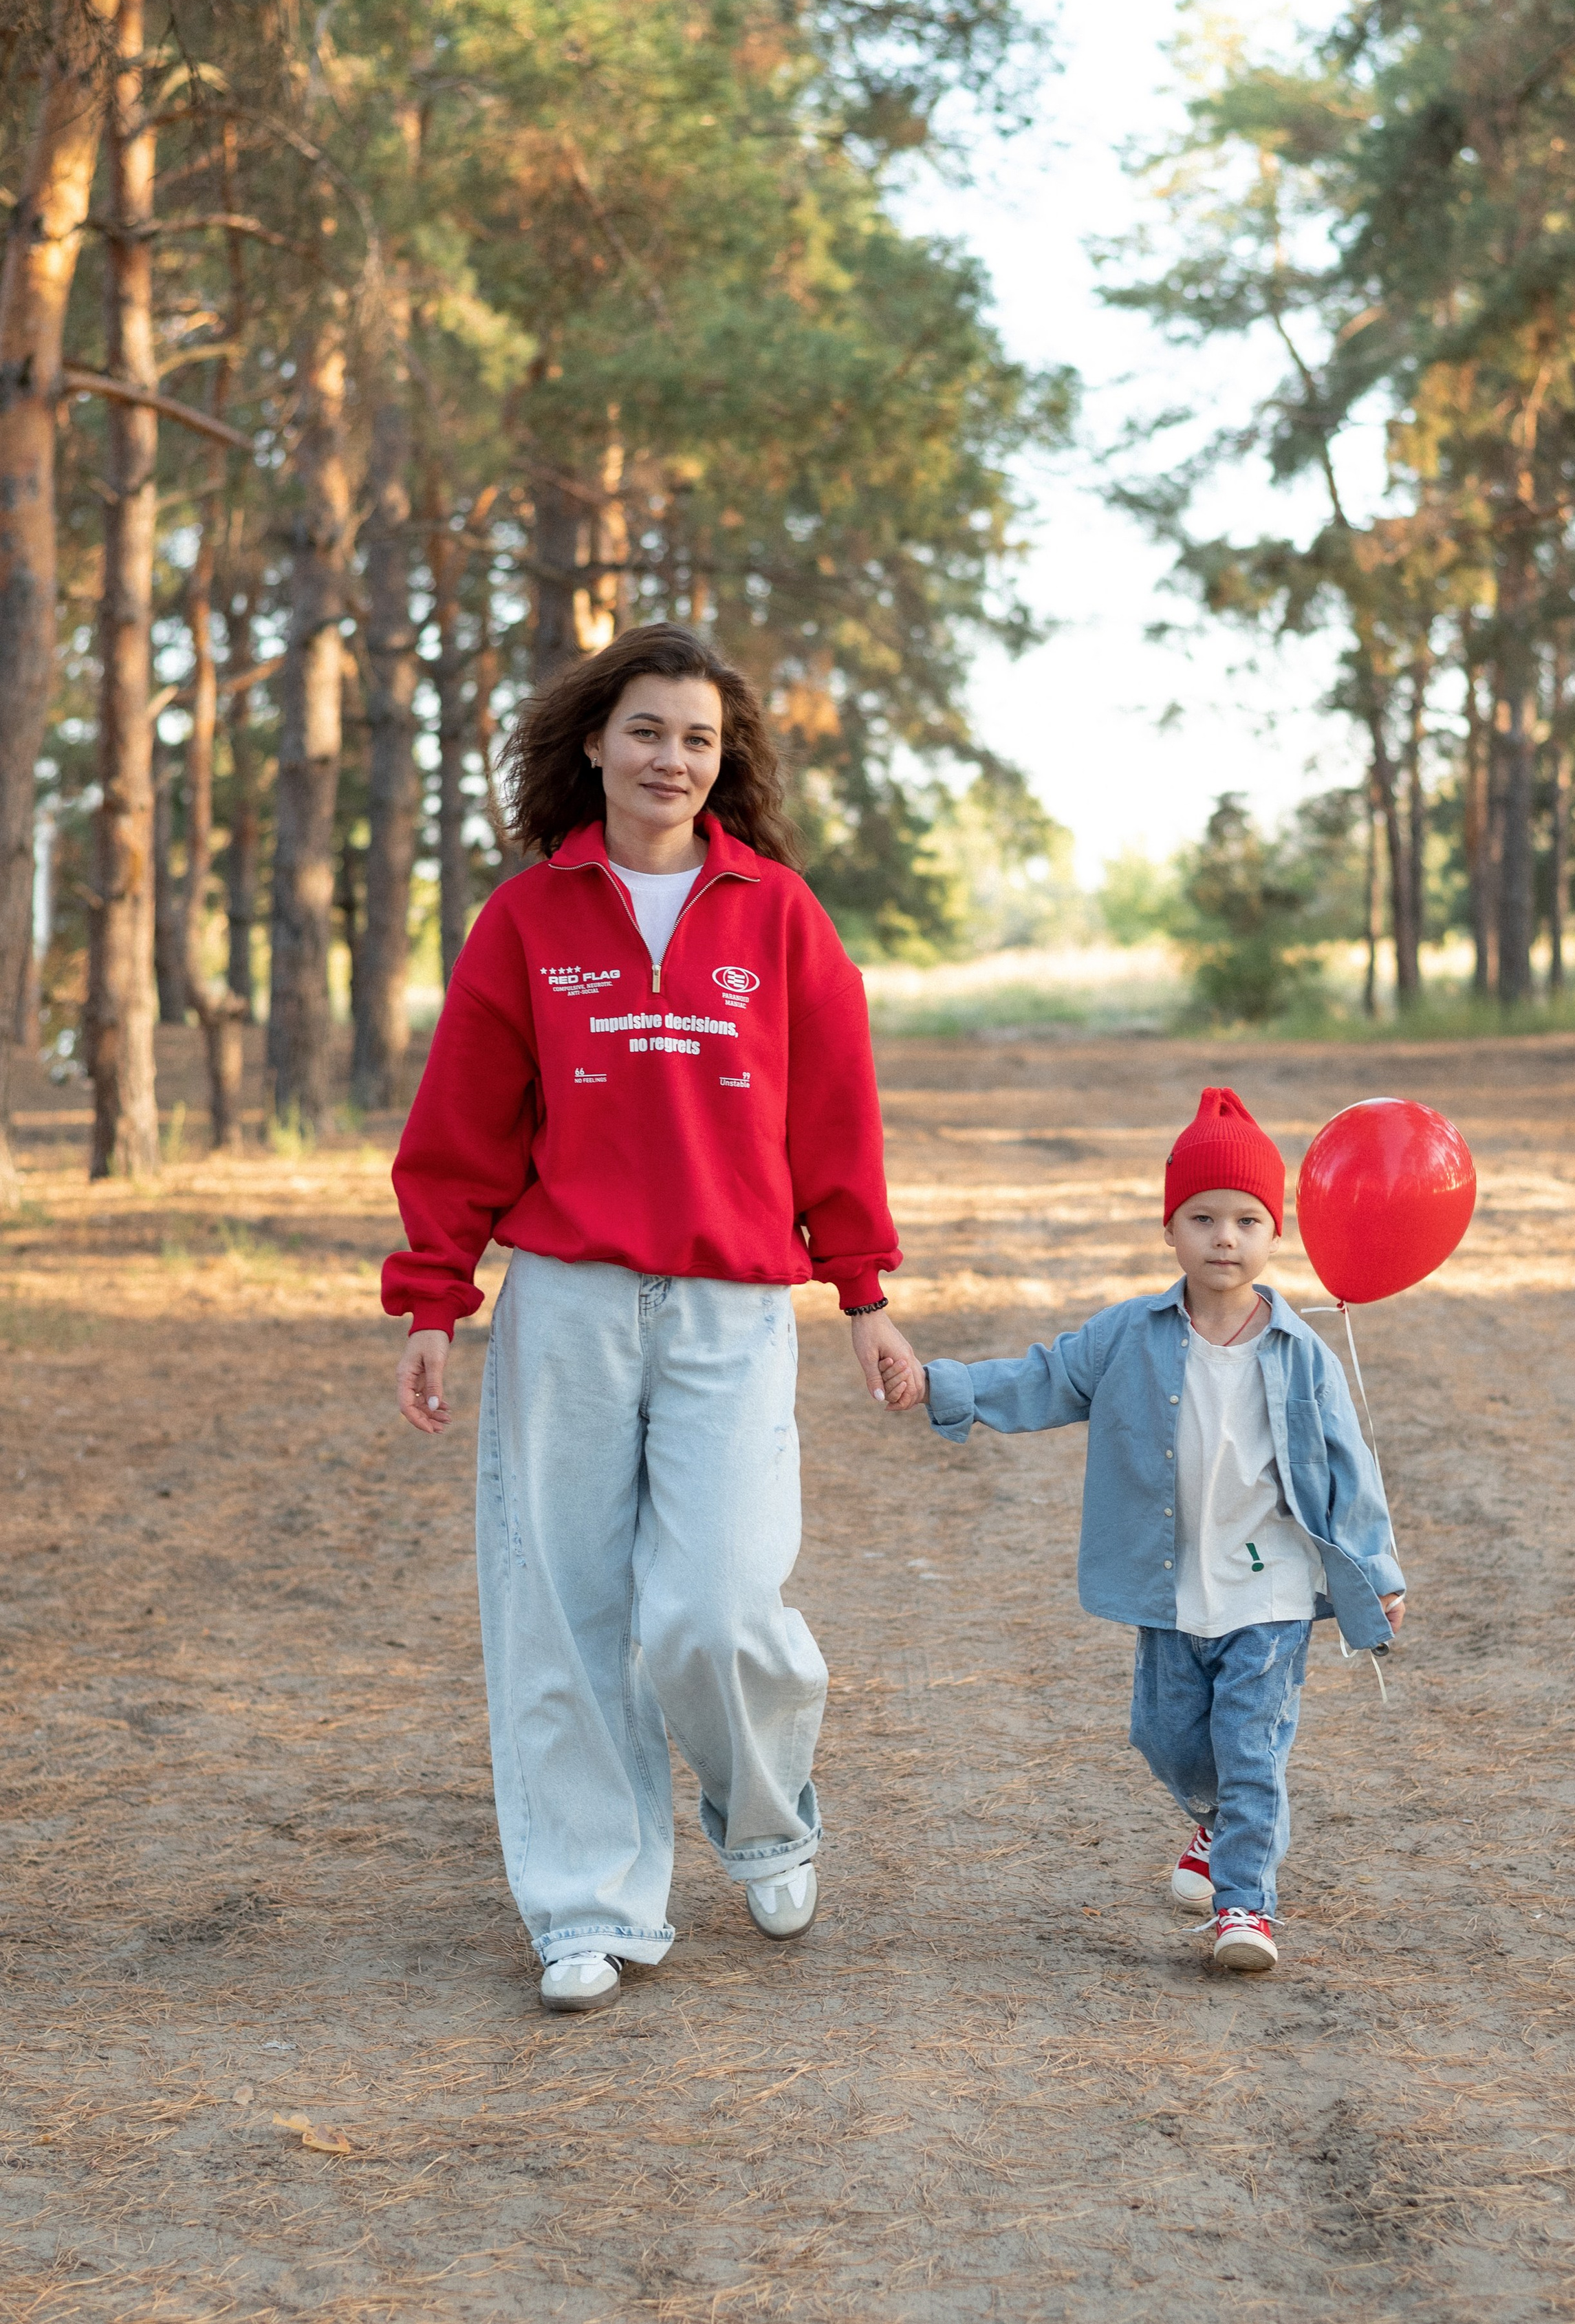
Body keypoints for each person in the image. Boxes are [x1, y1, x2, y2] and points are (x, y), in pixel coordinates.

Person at [383, 621, 920, 2014]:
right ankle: (585, 1903)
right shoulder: (528, 917)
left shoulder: (780, 915)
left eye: (695, 736)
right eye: (645, 730)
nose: (670, 757)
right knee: (561, 1609)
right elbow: (461, 1129)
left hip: (732, 1307)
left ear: (722, 758)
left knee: (717, 1605)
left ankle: (764, 1817)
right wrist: (433, 1297)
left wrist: (861, 1287)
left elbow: (834, 1119)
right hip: (568, 1297)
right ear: (592, 744)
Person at [880, 1086, 1404, 1975]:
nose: (1225, 1239)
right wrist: (942, 1386)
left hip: (1267, 1589)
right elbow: (1043, 1381)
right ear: (1171, 1231)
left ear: (1275, 1233)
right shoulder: (1133, 1335)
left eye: (1246, 1219)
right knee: (1167, 1737)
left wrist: (1378, 1569)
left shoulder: (1300, 1354)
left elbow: (1349, 1462)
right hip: (1173, 1589)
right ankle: (1221, 1823)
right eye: (1203, 1218)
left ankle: (1246, 1907)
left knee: (1251, 1743)